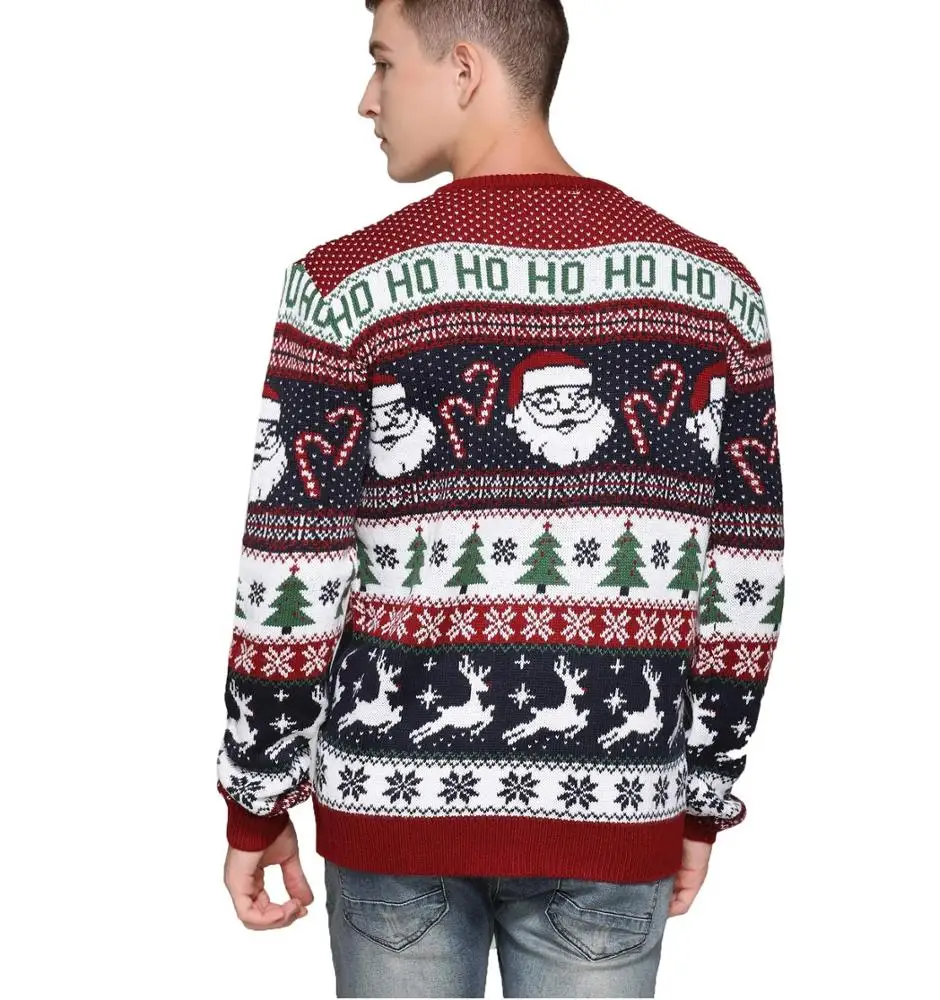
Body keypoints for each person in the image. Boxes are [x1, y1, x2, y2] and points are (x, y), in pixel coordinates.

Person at [216, 1, 785, 995]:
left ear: (464, 68)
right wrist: (701, 798)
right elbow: (746, 579)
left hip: (394, 815)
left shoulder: (343, 287)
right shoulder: (715, 293)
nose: (366, 100)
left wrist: (255, 799)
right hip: (613, 816)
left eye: (383, 63)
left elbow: (291, 569)